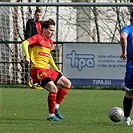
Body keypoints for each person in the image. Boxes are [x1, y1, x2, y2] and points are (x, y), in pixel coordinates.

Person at [21, 19, 71, 121]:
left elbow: (49, 57)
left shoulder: (50, 42)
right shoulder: (38, 38)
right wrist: (27, 56)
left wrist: (56, 69)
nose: (52, 33)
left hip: (47, 69)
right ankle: (51, 115)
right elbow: (24, 43)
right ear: (44, 29)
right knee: (53, 88)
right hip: (37, 70)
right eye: (50, 30)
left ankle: (56, 107)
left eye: (53, 31)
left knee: (67, 83)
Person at [120, 11, 133, 126]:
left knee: (129, 93)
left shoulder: (128, 29)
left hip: (131, 66)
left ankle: (127, 119)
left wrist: (124, 52)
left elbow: (123, 37)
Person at [25, 8, 43, 89]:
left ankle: (32, 78)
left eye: (40, 15)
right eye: (37, 15)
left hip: (40, 47)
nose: (38, 16)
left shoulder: (42, 24)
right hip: (33, 46)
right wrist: (29, 43)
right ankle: (33, 80)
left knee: (39, 64)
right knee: (34, 63)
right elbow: (28, 34)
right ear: (34, 15)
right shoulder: (30, 23)